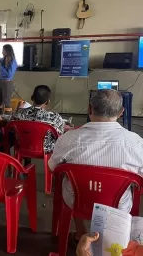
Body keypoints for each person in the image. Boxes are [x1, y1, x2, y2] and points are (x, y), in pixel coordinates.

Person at [49, 89, 143, 242]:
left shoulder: (68, 139)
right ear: (121, 112)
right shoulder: (136, 143)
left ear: (89, 109)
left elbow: (53, 168)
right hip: (118, 204)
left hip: (77, 200)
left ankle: (80, 231)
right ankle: (114, 238)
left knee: (71, 184)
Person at [11, 85, 64, 152]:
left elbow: (11, 127)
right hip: (46, 149)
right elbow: (60, 135)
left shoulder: (19, 114)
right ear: (48, 102)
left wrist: (18, 110)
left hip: (22, 146)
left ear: (32, 98)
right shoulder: (55, 117)